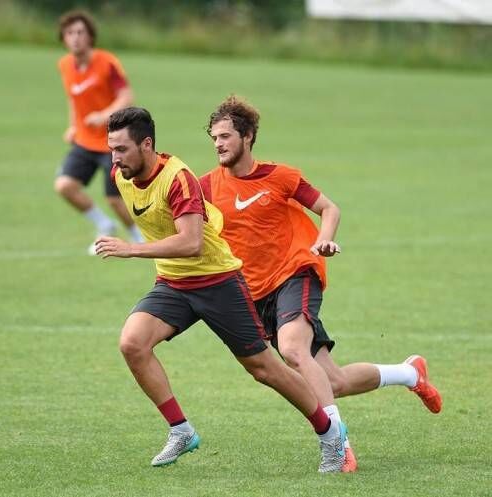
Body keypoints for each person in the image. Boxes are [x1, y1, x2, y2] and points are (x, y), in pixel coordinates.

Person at [94, 106, 347, 473]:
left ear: (146, 145)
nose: (114, 158)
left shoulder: (179, 179)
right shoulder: (121, 175)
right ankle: (181, 430)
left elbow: (191, 243)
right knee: (132, 343)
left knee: (264, 369)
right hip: (173, 282)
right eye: (111, 149)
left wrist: (130, 248)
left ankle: (330, 434)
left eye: (121, 149)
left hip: (217, 281)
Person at [200, 95, 443, 473]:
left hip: (296, 271)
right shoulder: (206, 187)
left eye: (226, 136)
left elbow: (329, 208)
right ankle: (410, 373)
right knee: (334, 381)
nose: (218, 144)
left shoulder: (280, 176)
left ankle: (338, 444)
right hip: (256, 293)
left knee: (292, 349)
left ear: (247, 137)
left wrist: (323, 240)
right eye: (214, 137)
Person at [54, 10, 143, 254]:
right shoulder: (65, 65)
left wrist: (104, 116)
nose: (75, 38)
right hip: (84, 141)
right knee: (64, 186)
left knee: (115, 199)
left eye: (80, 32)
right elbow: (74, 99)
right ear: (64, 38)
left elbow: (126, 96)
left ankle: (138, 237)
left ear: (90, 36)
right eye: (70, 33)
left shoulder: (106, 62)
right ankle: (104, 225)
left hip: (113, 143)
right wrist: (74, 126)